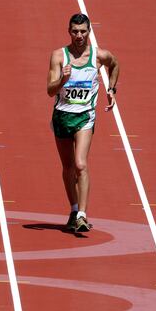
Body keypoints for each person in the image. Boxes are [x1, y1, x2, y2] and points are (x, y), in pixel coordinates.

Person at [47, 13, 119, 232]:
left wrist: (111, 89)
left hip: (85, 116)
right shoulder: (59, 56)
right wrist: (63, 80)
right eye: (75, 31)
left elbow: (114, 65)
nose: (79, 35)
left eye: (83, 31)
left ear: (89, 32)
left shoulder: (99, 56)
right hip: (62, 116)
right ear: (69, 32)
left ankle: (82, 215)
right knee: (68, 167)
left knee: (80, 164)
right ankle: (73, 209)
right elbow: (50, 91)